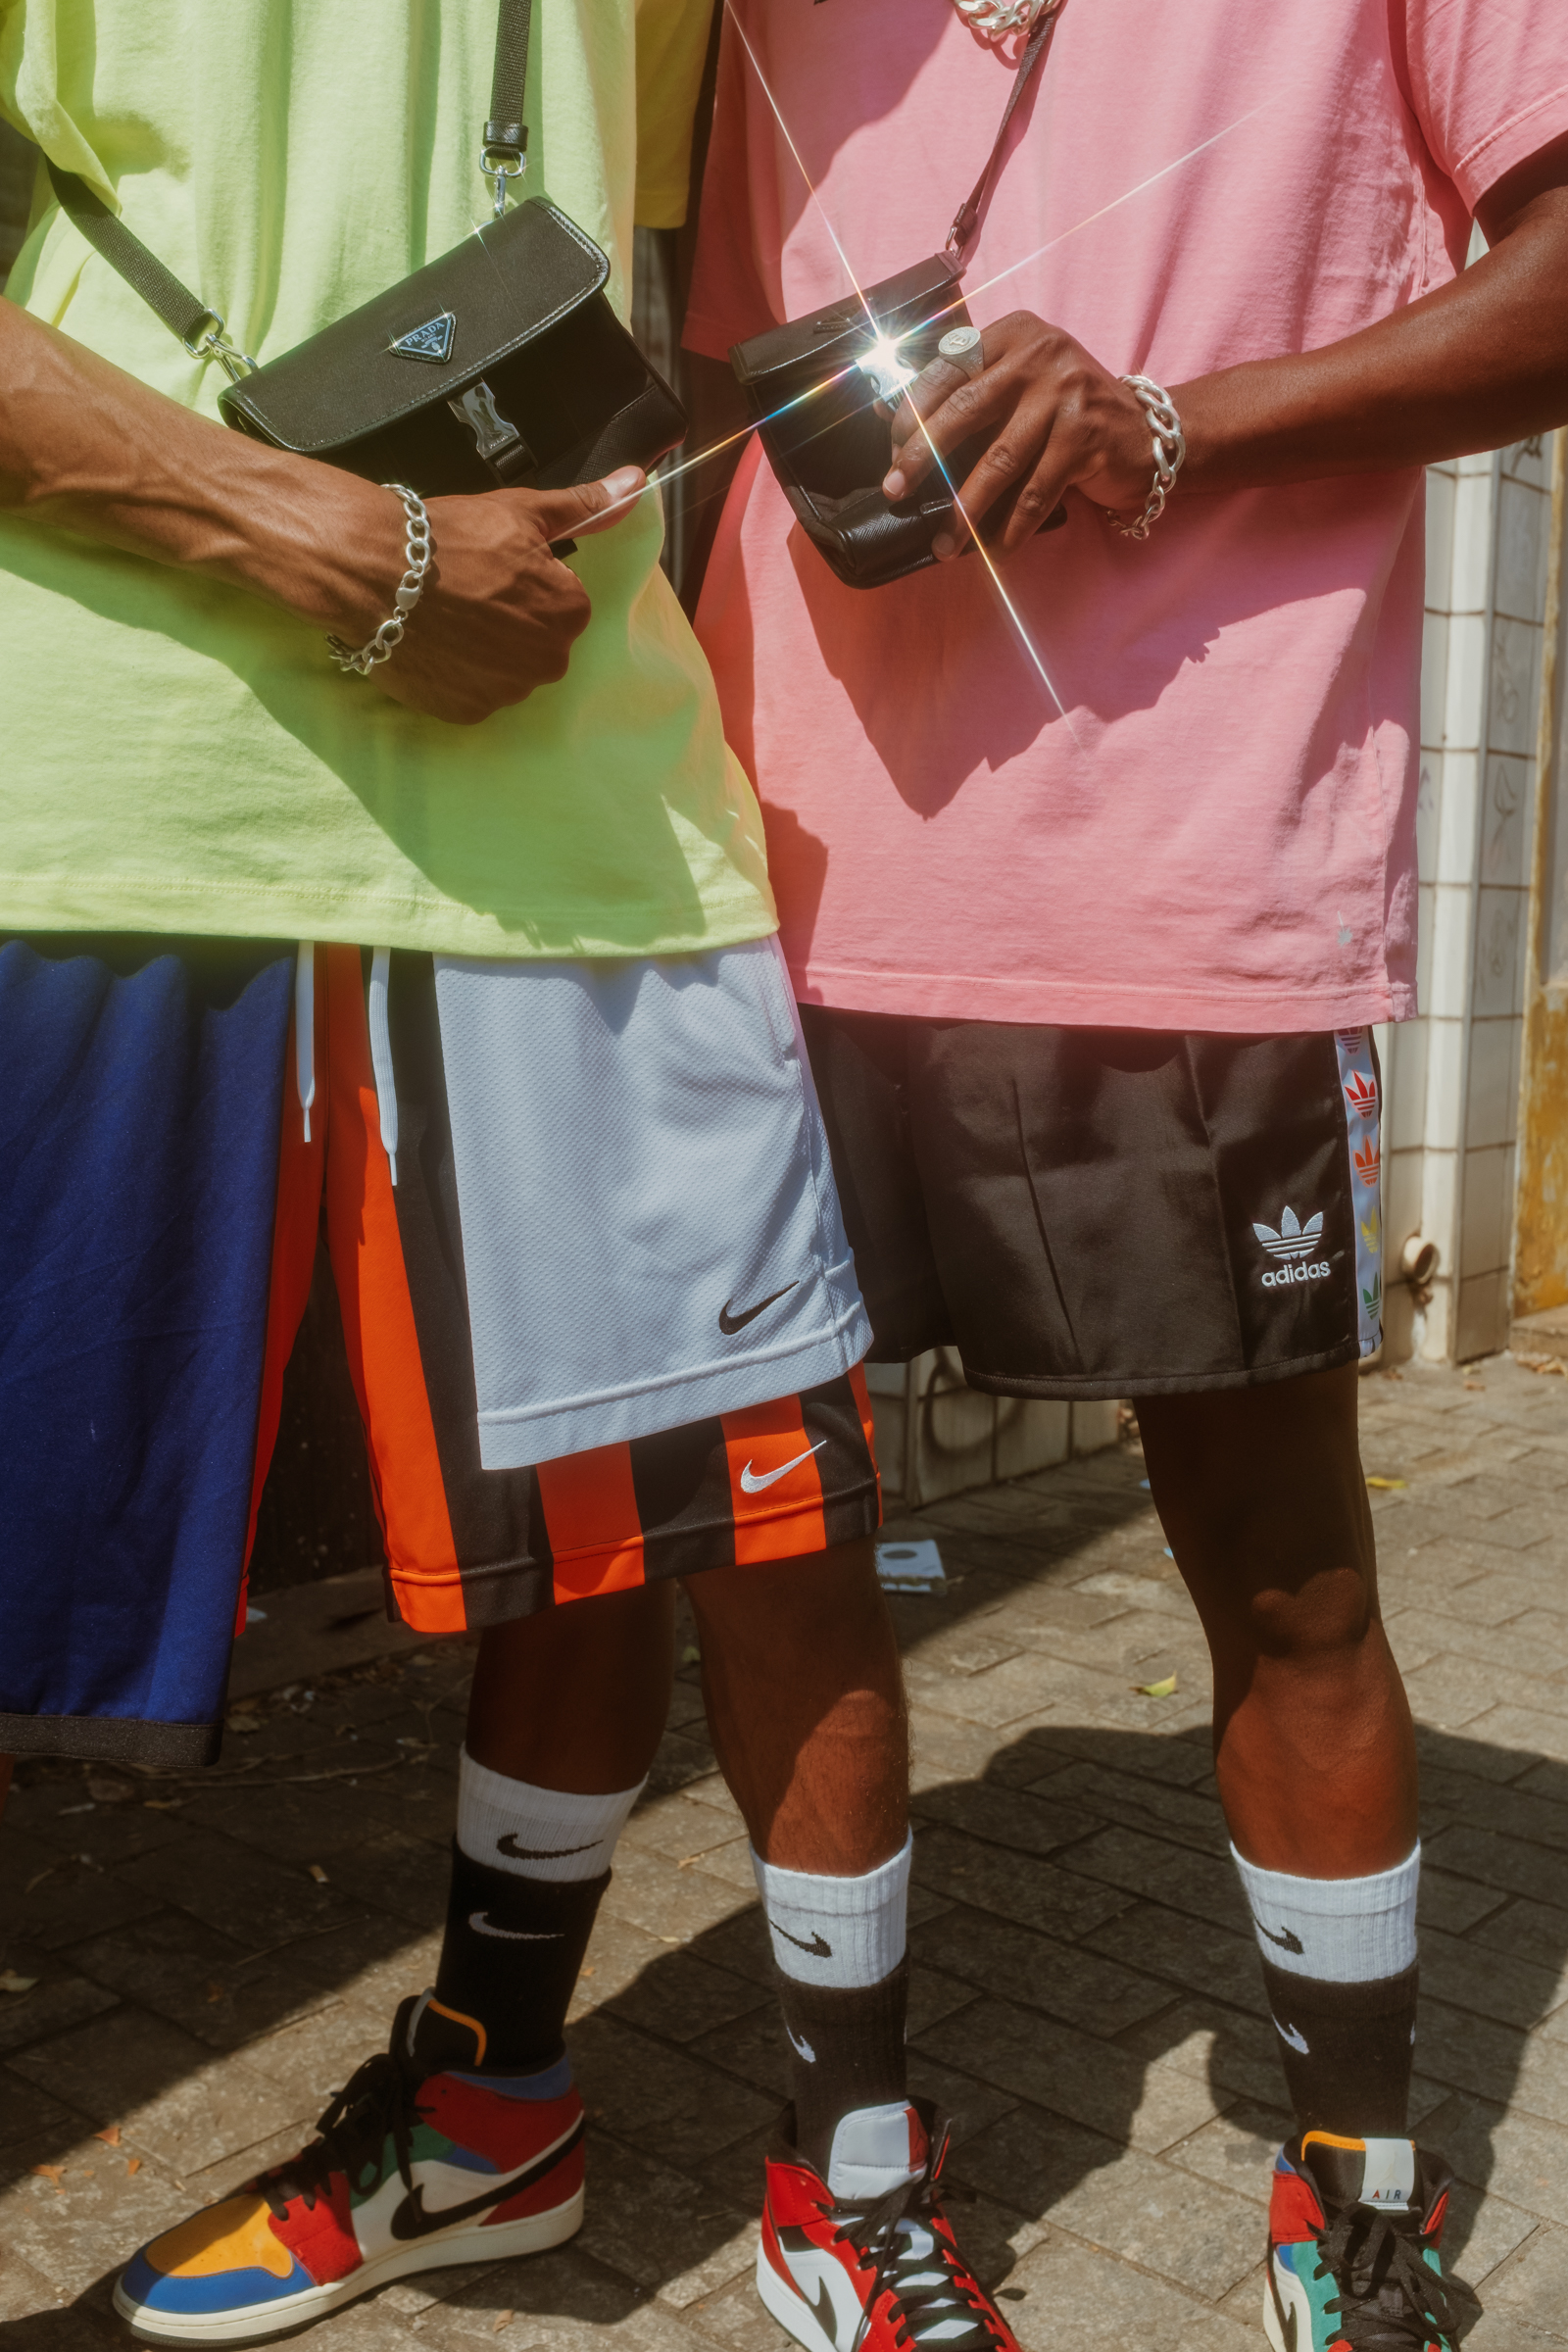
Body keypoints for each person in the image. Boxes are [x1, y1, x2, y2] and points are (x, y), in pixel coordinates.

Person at [0, 4, 1018, 2347]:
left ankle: (700, 2154)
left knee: (745, 1531)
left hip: (584, 810)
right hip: (108, 802)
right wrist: (331, 537)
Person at [681, 3, 1568, 2347]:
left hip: (1191, 894)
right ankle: (847, 2173)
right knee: (784, 1544)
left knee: (1284, 1573)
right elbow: (698, 378)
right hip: (766, 887)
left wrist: (1165, 424)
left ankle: (1355, 2186)